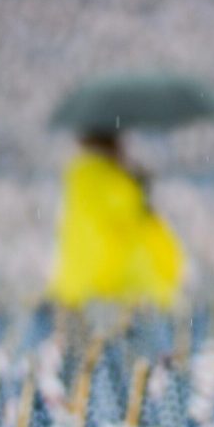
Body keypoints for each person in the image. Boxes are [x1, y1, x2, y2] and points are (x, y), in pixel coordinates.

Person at [50, 128, 184, 307]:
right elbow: (134, 230)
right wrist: (137, 187)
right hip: (118, 288)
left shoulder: (78, 178)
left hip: (77, 287)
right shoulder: (116, 182)